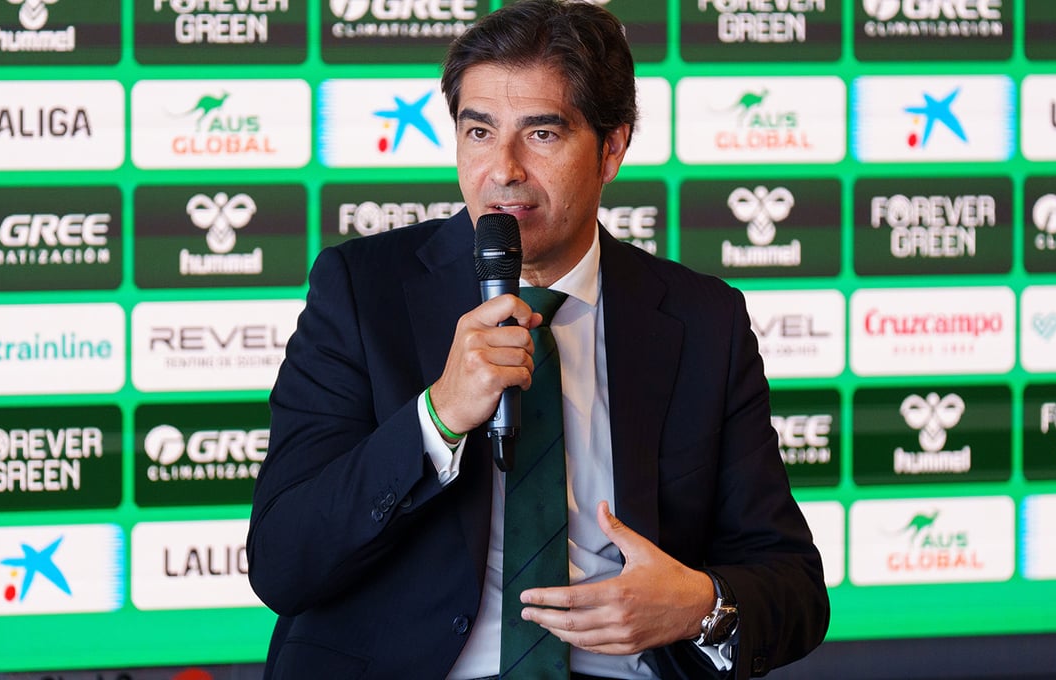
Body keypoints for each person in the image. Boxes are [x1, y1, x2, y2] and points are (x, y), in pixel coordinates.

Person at [246, 1, 829, 678]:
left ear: (612, 148)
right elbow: (283, 561)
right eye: (479, 131)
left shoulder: (703, 320)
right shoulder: (361, 290)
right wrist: (437, 416)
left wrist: (699, 606)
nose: (504, 169)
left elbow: (793, 586)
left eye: (542, 134)